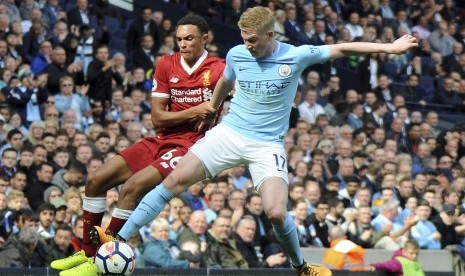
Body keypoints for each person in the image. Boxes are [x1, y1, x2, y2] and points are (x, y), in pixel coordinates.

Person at [112, 6, 418, 276]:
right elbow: (226, 80)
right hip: (230, 133)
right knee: (174, 181)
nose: (247, 44)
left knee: (274, 212)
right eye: (244, 38)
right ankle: (117, 243)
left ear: (270, 35)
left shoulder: (296, 55)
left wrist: (389, 48)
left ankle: (300, 266)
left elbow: (341, 49)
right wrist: (211, 108)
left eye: (252, 40)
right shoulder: (237, 54)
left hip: (267, 144)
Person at [50, 14, 225, 275]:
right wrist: (196, 111)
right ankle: (87, 254)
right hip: (161, 138)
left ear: (205, 38)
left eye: (189, 38)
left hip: (189, 145)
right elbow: (157, 118)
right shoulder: (166, 64)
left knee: (131, 188)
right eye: (179, 39)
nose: (183, 44)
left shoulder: (220, 67)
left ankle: (98, 262)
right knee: (96, 180)